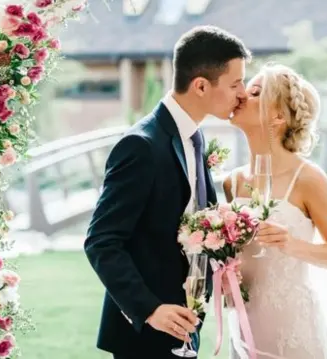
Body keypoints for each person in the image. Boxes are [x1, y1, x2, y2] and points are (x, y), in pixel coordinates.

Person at [84, 25, 251, 359]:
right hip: (146, 336)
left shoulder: (194, 138)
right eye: (235, 84)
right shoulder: (141, 146)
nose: (242, 94)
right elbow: (101, 241)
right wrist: (150, 310)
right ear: (201, 85)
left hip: (186, 327)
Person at [223, 63, 327, 359]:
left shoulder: (309, 179)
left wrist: (291, 244)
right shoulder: (232, 183)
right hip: (244, 330)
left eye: (256, 92)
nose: (243, 94)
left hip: (295, 333)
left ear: (279, 116)